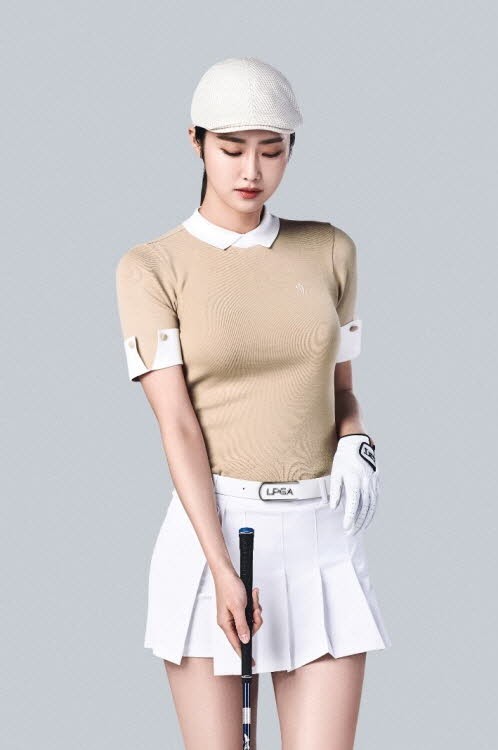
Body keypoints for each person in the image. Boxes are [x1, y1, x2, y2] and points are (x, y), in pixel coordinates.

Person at [115, 56, 391, 750]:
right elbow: (178, 426)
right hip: (214, 529)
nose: (251, 170)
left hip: (321, 530)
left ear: (291, 148)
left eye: (271, 150)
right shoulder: (152, 267)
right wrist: (220, 570)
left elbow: (342, 390)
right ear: (196, 142)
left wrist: (356, 440)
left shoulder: (330, 249)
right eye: (232, 148)